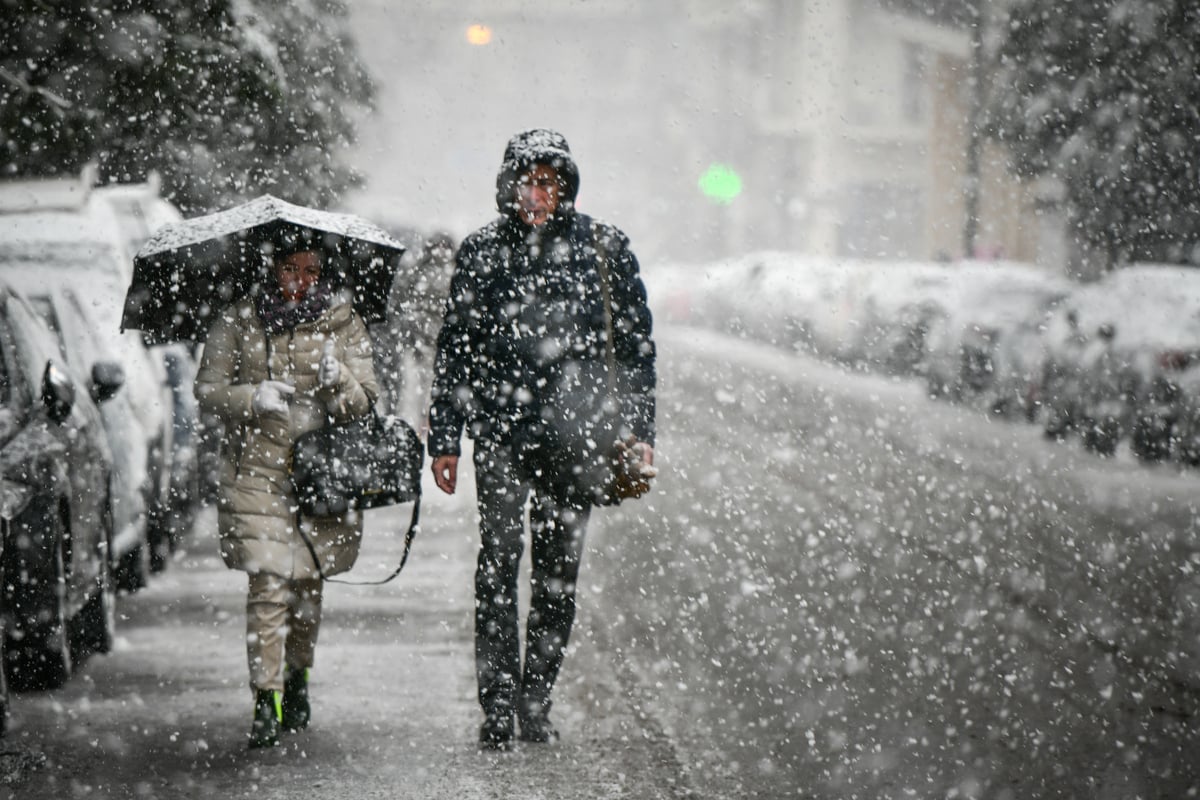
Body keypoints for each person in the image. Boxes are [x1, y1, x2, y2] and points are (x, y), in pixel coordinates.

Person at [428, 129, 656, 749]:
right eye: (530, 180)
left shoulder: (603, 250)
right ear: (510, 184)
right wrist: (445, 436)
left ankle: (536, 701)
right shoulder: (482, 251)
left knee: (558, 575)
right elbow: (457, 349)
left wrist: (639, 431)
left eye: (551, 182)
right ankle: (498, 705)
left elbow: (635, 353)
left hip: (575, 439)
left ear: (567, 188)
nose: (539, 193)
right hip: (500, 433)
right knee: (498, 566)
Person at [194, 234, 379, 748]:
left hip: (322, 477)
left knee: (306, 587)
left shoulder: (344, 323)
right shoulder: (238, 320)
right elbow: (207, 390)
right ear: (271, 268)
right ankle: (266, 699)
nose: (301, 281)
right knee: (269, 585)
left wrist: (339, 379)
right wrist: (253, 396)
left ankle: (298, 678)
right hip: (256, 473)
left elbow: (365, 401)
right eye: (290, 269)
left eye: (311, 271)